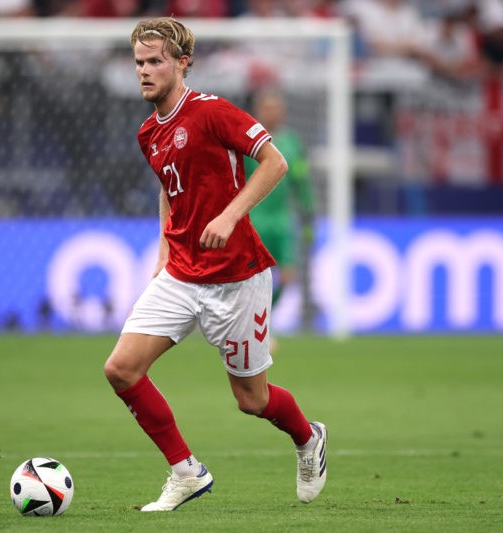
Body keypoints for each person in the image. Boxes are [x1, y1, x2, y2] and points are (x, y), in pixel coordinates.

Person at [102, 17, 327, 513]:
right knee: (121, 369)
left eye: (155, 61)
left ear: (182, 63)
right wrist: (164, 250)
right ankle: (186, 472)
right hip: (182, 274)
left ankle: (308, 437)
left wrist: (228, 215)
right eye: (139, 62)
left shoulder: (212, 112)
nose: (144, 71)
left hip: (237, 276)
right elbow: (169, 187)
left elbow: (275, 163)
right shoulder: (148, 133)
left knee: (252, 400)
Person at [245, 89, 315, 325]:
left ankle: (262, 321)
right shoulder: (247, 142)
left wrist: (307, 219)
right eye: (267, 108)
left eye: (276, 109)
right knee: (251, 279)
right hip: (255, 218)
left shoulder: (292, 144)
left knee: (287, 276)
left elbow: (301, 183)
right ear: (258, 111)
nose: (272, 113)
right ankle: (251, 324)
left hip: (283, 220)